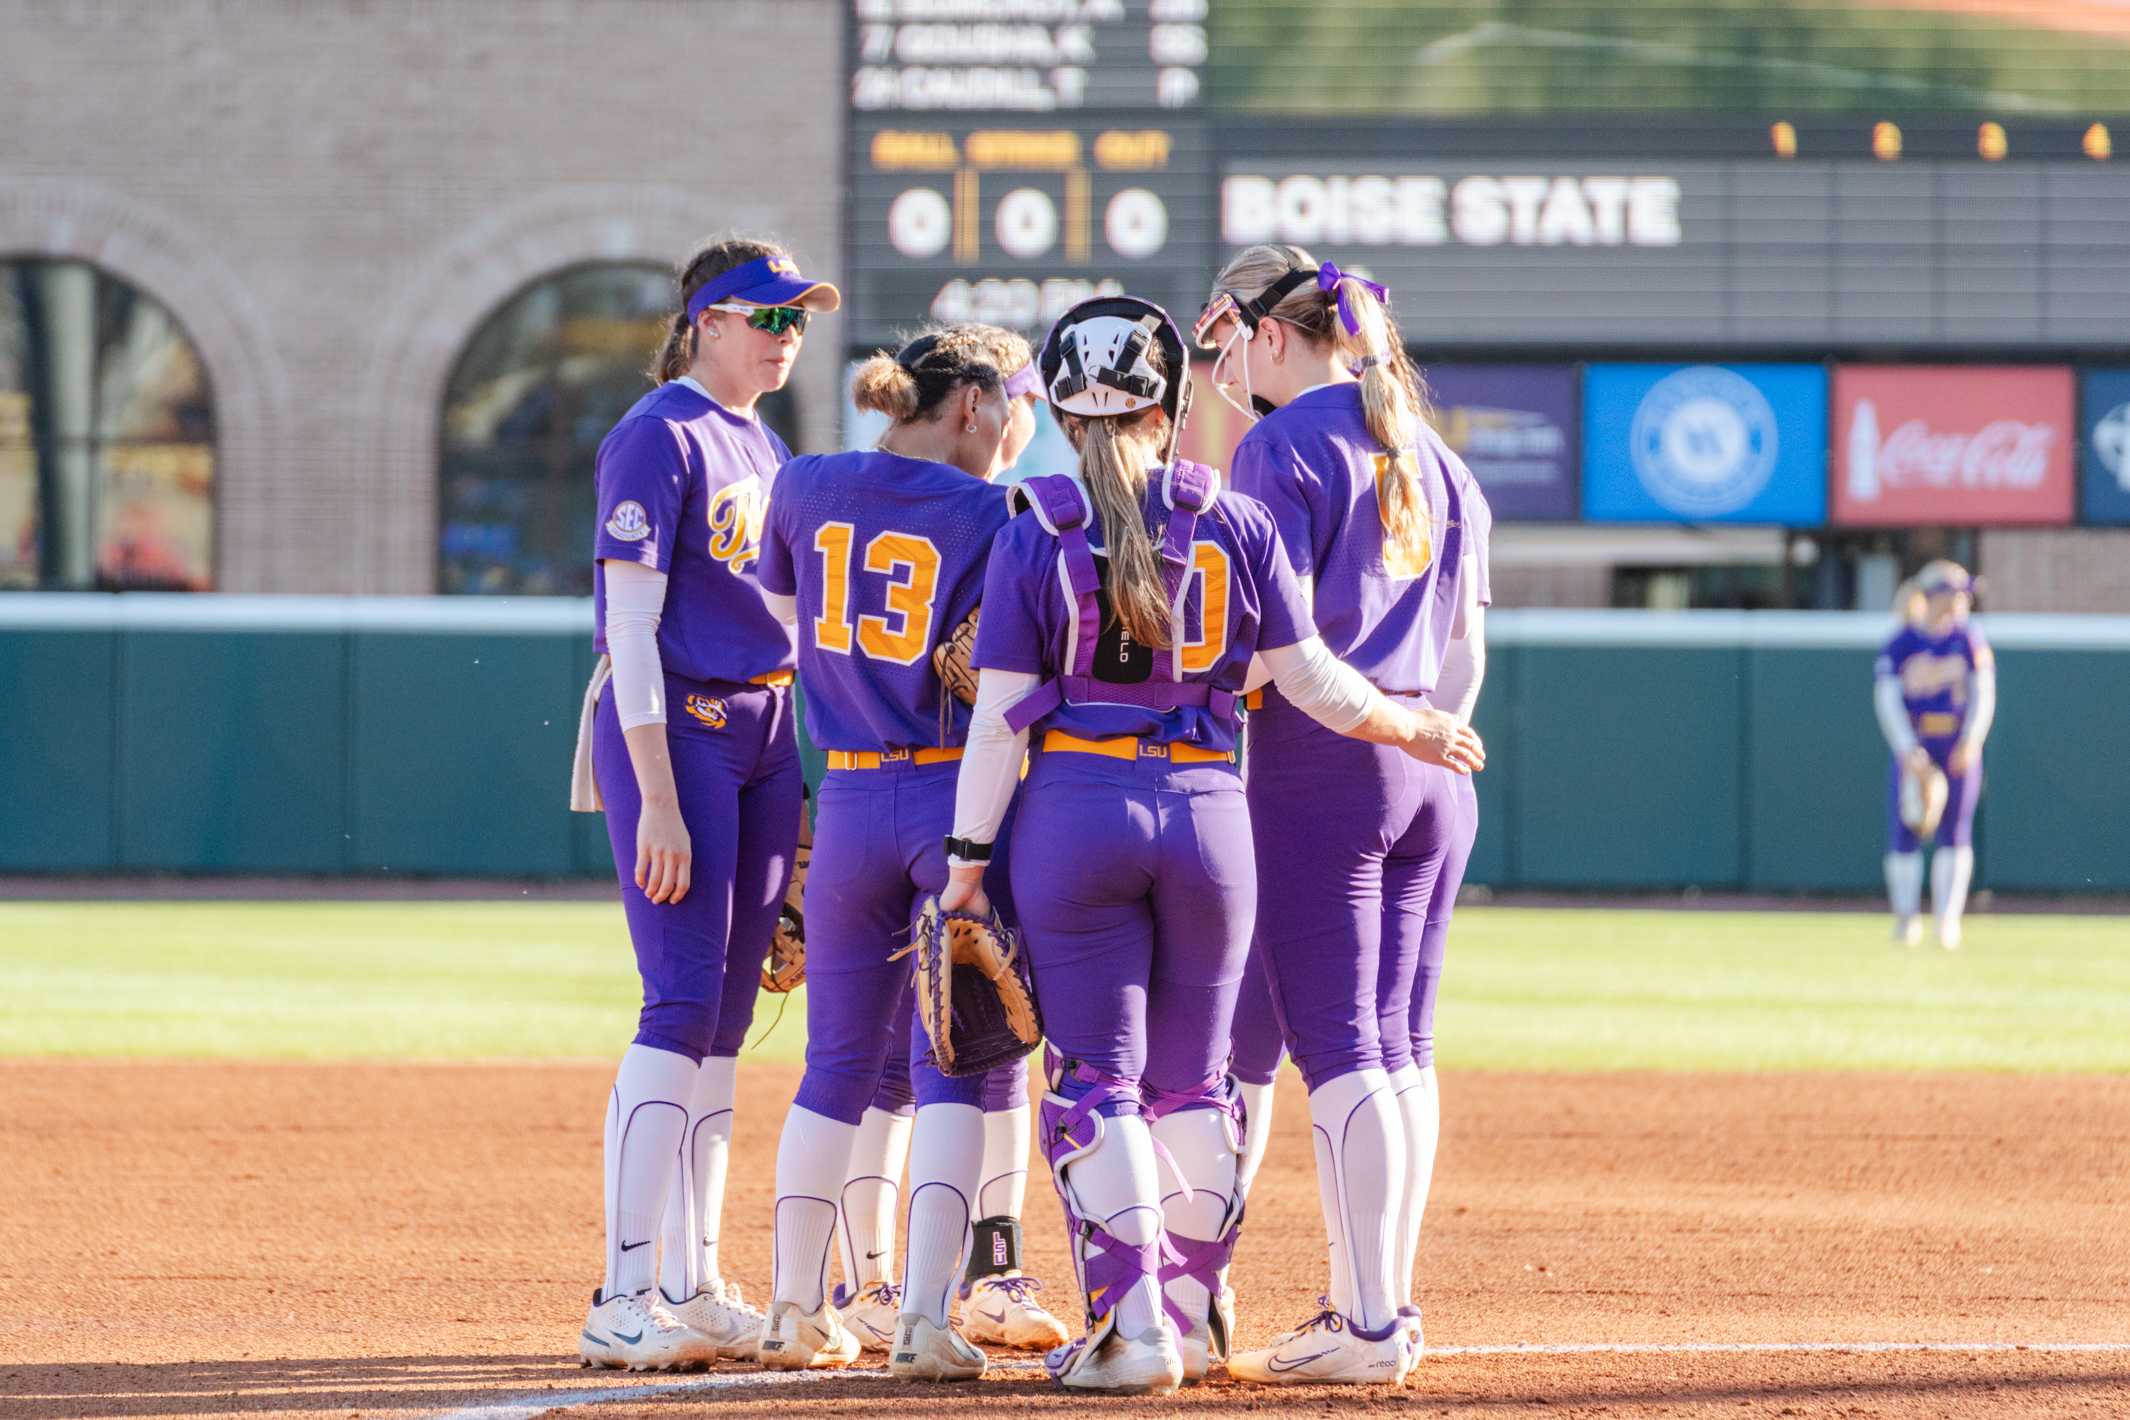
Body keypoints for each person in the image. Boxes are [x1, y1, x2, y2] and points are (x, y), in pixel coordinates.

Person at [940, 295, 1484, 1395]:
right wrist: (1414, 722)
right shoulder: (1229, 514)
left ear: (1059, 401)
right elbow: (1317, 682)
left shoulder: (1033, 524)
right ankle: (1188, 1321)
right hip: (1209, 813)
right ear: (1171, 398)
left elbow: (1002, 723)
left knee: (1100, 1081)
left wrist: (963, 864)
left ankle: (1133, 1328)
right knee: (1197, 1085)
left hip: (1077, 815)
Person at [1195, 243, 1492, 1385]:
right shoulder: (1438, 456)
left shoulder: (1278, 444)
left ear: (1274, 335)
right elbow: (1467, 649)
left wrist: (1376, 729)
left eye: (1236, 340)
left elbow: (1276, 649)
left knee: (1340, 1050)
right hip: (1433, 769)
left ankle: (1365, 1322)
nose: (1232, 363)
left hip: (1331, 761)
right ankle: (1384, 1305)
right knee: (1402, 1048)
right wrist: (1428, 734)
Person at [751, 324, 1064, 1379]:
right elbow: (1018, 678)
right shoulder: (998, 513)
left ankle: (795, 1307)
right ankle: (927, 1318)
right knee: (957, 1067)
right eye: (1019, 401)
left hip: (847, 791)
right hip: (950, 793)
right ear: (973, 402)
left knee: (833, 1062)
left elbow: (785, 620)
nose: (1026, 426)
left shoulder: (801, 483)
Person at [567, 237, 837, 1370]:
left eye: (797, 320)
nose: (787, 336)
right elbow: (629, 628)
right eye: (768, 317)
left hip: (766, 730)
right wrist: (660, 799)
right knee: (677, 1003)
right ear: (706, 320)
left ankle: (694, 1277)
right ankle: (623, 1290)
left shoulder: (761, 439)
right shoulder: (657, 434)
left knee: (727, 1022)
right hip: (677, 728)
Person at [1875, 560, 1994, 949]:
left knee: (1955, 832)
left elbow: (1983, 694)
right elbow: (1888, 700)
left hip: (1956, 744)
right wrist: (1907, 748)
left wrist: (1972, 738)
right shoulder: (1902, 642)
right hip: (1918, 747)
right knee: (1906, 828)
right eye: (1956, 593)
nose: (1962, 601)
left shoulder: (1969, 639)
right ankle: (1906, 917)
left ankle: (1947, 921)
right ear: (1934, 596)